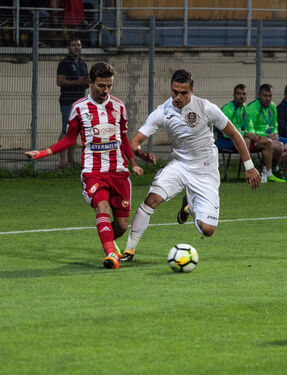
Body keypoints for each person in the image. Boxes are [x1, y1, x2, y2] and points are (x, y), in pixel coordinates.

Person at [119, 69, 261, 262]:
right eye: (174, 91)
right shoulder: (162, 111)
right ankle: (129, 250)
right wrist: (140, 153)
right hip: (180, 166)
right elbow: (134, 141)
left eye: (183, 93)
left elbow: (235, 134)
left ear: (192, 90)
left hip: (206, 171)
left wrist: (249, 166)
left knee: (208, 230)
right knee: (151, 200)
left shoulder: (205, 108)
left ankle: (189, 207)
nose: (177, 97)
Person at [25, 62, 143, 269]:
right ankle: (110, 256)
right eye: (100, 86)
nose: (105, 91)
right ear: (90, 83)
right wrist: (44, 152)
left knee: (122, 226)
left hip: (119, 172)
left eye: (109, 86)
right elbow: (70, 139)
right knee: (102, 207)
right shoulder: (79, 108)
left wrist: (133, 163)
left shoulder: (119, 107)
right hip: (93, 171)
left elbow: (123, 138)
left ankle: (105, 235)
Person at [216, 84, 284, 183]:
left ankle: (269, 173)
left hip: (240, 138)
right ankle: (248, 170)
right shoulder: (228, 109)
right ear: (234, 95)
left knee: (267, 143)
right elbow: (226, 133)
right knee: (246, 139)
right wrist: (245, 134)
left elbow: (250, 126)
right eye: (239, 94)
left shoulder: (244, 108)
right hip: (225, 141)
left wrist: (253, 136)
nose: (242, 96)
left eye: (244, 94)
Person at [57, 37, 89, 167]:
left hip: (80, 102)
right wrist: (77, 82)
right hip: (68, 101)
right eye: (74, 45)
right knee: (66, 129)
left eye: (79, 45)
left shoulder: (83, 64)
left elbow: (85, 82)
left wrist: (87, 82)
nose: (76, 47)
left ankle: (71, 159)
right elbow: (60, 81)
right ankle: (62, 160)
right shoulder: (64, 63)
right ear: (69, 48)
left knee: (75, 131)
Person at [248, 83, 287, 180]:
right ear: (259, 96)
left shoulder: (272, 106)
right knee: (278, 147)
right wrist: (267, 135)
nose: (268, 99)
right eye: (265, 96)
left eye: (270, 96)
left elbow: (275, 124)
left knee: (281, 147)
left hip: (270, 136)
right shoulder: (253, 108)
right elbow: (250, 129)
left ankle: (271, 168)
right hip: (258, 137)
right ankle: (272, 170)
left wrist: (275, 133)